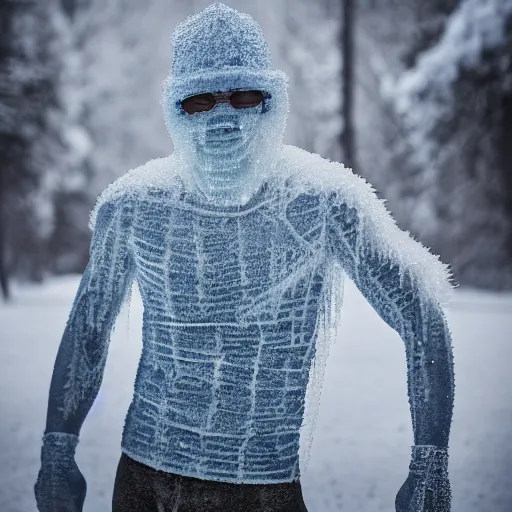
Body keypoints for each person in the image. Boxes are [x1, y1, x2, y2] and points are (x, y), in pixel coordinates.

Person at [34, 3, 455, 511]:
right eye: (200, 101)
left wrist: (430, 461)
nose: (223, 117)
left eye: (243, 96)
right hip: (144, 479)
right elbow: (88, 329)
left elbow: (422, 316)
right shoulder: (133, 208)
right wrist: (57, 450)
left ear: (270, 102)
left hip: (262, 486)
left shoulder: (320, 203)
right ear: (175, 107)